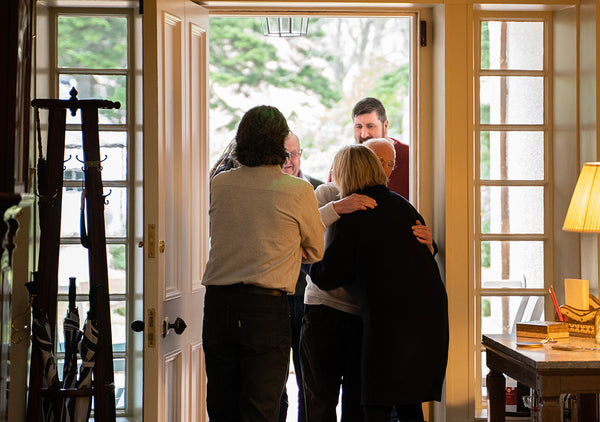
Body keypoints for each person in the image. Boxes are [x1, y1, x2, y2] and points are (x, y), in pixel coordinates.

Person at [201, 105, 325, 422]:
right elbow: (316, 251)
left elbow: (228, 234)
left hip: (218, 306)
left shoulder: (220, 183)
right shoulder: (298, 190)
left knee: (221, 407)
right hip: (264, 310)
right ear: (280, 144)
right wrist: (282, 247)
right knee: (261, 410)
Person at [309, 144, 448, 422]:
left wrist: (308, 256)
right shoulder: (404, 206)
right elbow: (422, 249)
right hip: (431, 318)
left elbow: (328, 275)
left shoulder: (359, 211)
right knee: (409, 403)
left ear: (345, 175)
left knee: (376, 405)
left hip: (390, 324)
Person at [352, 97, 409, 198]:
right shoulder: (345, 160)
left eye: (370, 126)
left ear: (385, 126)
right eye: (359, 127)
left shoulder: (410, 158)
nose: (364, 134)